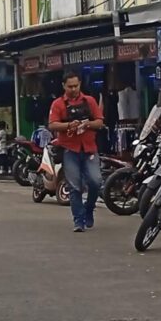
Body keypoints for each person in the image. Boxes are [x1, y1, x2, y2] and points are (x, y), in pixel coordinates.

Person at [48, 71, 105, 232]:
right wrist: (68, 126)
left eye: (76, 86)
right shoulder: (58, 104)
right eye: (70, 86)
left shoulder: (90, 101)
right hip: (69, 149)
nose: (73, 89)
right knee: (74, 186)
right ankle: (78, 221)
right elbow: (52, 125)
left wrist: (87, 124)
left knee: (96, 182)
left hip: (89, 148)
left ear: (80, 84)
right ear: (63, 86)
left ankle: (89, 209)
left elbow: (100, 122)